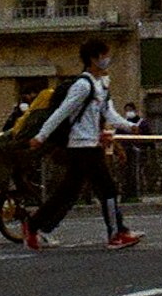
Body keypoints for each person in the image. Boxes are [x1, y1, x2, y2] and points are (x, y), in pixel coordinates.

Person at [20, 40, 139, 249]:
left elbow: (108, 113)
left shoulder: (101, 85)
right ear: (93, 58)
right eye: (104, 55)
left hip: (89, 144)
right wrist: (41, 136)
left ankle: (33, 224)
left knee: (68, 190)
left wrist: (129, 126)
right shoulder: (82, 85)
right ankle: (116, 232)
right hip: (82, 146)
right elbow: (62, 112)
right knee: (108, 189)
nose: (107, 60)